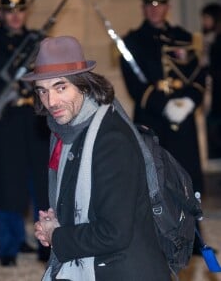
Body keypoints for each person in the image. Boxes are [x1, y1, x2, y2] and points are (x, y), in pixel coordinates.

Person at [21, 35, 171, 280]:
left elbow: (113, 233)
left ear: (83, 85)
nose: (51, 102)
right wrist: (58, 221)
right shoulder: (67, 132)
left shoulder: (110, 141)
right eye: (43, 91)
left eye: (61, 87)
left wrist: (56, 235)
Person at [119, 0, 207, 255]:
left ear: (168, 6)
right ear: (143, 8)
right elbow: (136, 87)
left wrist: (189, 101)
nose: (155, 9)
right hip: (153, 121)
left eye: (159, 4)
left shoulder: (183, 38)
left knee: (187, 180)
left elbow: (199, 77)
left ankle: (192, 237)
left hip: (183, 123)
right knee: (154, 180)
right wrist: (164, 105)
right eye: (150, 4)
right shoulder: (132, 41)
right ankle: (156, 239)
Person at [0, 0, 50, 266]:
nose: (15, 15)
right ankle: (8, 247)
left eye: (20, 9)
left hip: (33, 121)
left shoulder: (36, 42)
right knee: (8, 185)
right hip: (7, 121)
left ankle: (46, 245)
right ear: (1, 13)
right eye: (9, 9)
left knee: (42, 187)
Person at [200, 3, 221, 158]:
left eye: (207, 18)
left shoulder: (218, 41)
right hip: (213, 96)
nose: (204, 22)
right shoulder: (209, 39)